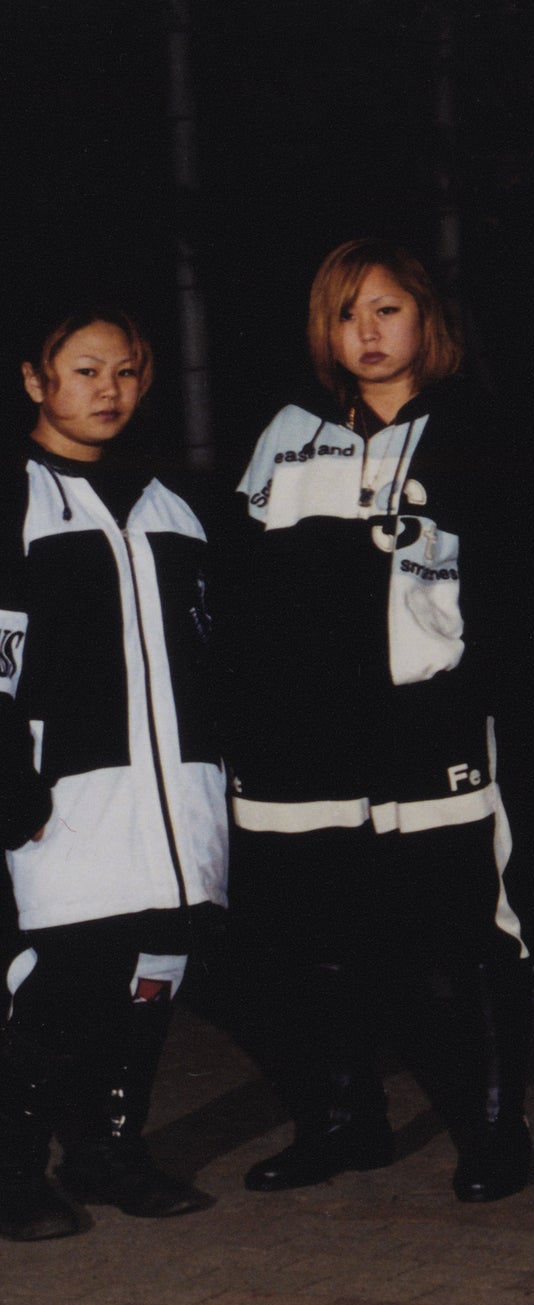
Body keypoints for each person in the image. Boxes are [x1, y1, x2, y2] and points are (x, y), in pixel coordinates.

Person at [223, 239, 533, 1203]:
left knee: (462, 929)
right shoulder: (284, 430)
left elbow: (513, 591)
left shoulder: (476, 429)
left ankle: (492, 1130)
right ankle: (343, 1120)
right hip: (305, 736)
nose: (367, 329)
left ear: (425, 320)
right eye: (348, 311)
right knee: (318, 930)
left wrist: (479, 694)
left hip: (428, 730)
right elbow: (241, 588)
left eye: (387, 308)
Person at [0, 307, 225, 1241]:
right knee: (58, 985)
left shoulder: (173, 503)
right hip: (70, 800)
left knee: (151, 971)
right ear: (34, 379)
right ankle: (15, 1171)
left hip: (177, 796)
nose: (108, 390)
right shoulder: (18, 498)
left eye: (127, 372)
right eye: (85, 370)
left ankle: (109, 1148)